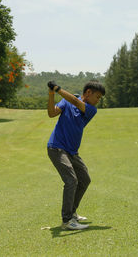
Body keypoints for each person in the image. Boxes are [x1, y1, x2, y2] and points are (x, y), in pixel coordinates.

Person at [47, 80, 105, 230]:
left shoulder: (91, 109)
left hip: (72, 152)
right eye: (97, 97)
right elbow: (51, 113)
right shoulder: (67, 102)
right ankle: (67, 221)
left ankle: (72, 213)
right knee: (71, 180)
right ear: (88, 93)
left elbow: (73, 100)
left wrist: (58, 88)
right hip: (57, 148)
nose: (98, 101)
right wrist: (51, 94)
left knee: (84, 179)